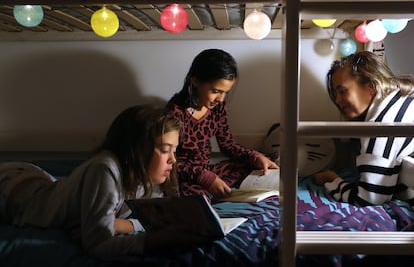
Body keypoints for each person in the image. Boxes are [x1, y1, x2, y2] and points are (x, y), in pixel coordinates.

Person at [0, 105, 209, 258]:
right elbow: (98, 246)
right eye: (165, 150)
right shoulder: (105, 169)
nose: (173, 159)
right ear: (137, 150)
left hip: (45, 182)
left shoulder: (153, 174)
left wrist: (121, 225)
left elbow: (153, 221)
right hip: (13, 192)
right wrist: (154, 239)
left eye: (174, 150)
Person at [167, 48, 278, 201]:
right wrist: (204, 177)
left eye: (225, 92)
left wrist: (255, 157)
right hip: (184, 175)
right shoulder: (175, 113)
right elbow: (169, 162)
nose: (220, 98)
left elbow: (228, 145)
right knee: (195, 197)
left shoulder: (217, 108)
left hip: (208, 170)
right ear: (196, 81)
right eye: (216, 91)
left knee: (261, 162)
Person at [313, 50, 414, 206]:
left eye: (342, 91)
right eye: (335, 93)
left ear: (371, 86)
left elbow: (368, 199)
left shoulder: (381, 127)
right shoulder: (404, 99)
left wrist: (332, 179)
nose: (338, 100)